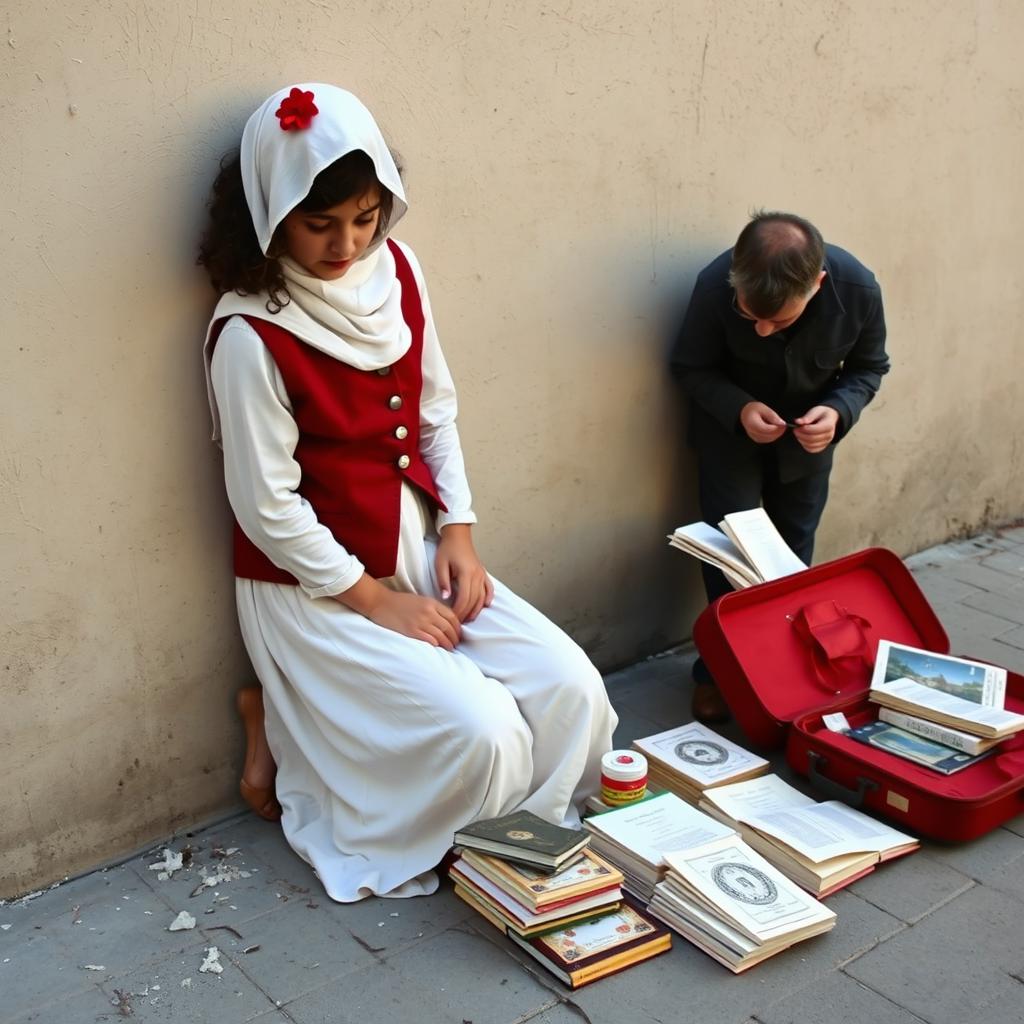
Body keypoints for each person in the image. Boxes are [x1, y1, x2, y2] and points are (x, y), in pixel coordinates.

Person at [197, 84, 617, 902]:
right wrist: (374, 601)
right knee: (486, 733)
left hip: (415, 550)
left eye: (363, 216)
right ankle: (293, 729)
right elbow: (267, 506)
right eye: (319, 224)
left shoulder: (399, 271)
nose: (346, 243)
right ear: (270, 212)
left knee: (574, 689)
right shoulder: (249, 333)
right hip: (315, 587)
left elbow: (435, 410)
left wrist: (457, 531)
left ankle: (516, 850)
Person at [669, 211, 890, 723]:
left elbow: (868, 367)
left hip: (808, 449)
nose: (764, 330)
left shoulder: (858, 288)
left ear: (818, 284)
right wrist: (739, 408)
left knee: (793, 561)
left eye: (781, 320)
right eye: (750, 318)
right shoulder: (712, 284)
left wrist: (838, 411)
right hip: (729, 441)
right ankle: (717, 677)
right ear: (735, 281)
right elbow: (689, 366)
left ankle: (780, 676)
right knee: (729, 562)